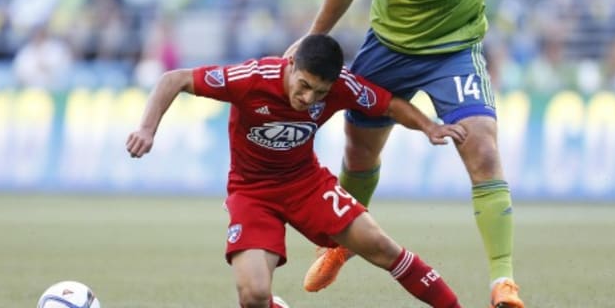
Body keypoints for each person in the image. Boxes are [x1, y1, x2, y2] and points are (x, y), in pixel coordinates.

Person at [288, 0, 530, 307]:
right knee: (359, 152)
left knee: (481, 146)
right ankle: (340, 245)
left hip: (455, 51)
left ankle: (503, 282)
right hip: (389, 50)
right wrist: (312, 39)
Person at [126, 34, 467, 308]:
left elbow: (388, 103)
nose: (307, 98)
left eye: (319, 92)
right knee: (253, 296)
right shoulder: (251, 78)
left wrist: (428, 126)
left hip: (306, 185)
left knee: (381, 247)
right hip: (252, 193)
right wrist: (146, 129)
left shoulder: (343, 86)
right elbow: (175, 79)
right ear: (290, 65)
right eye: (303, 85)